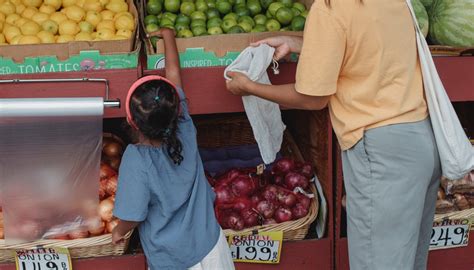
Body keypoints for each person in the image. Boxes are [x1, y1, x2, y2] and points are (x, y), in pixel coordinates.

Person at [226, 0, 440, 269]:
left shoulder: (329, 8)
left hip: (382, 152)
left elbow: (312, 97)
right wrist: (296, 42)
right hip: (420, 141)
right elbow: (363, 44)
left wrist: (250, 87)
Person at [111, 28, 235, 270]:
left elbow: (132, 216)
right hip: (212, 247)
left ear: (131, 122)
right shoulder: (184, 126)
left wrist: (119, 230)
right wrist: (168, 37)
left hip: (173, 260)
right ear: (175, 109)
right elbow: (174, 76)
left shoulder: (136, 159)